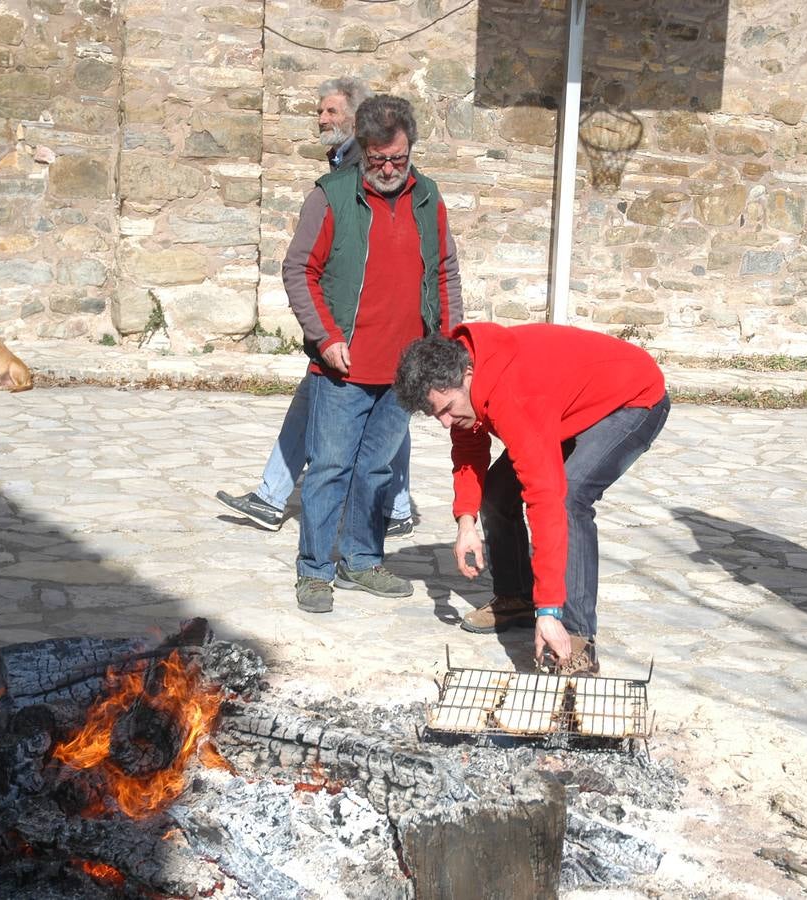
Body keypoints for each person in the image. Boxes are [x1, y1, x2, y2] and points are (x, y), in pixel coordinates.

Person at [394, 325, 670, 675]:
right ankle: (517, 599)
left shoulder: (515, 394)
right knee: (495, 493)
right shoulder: (469, 374)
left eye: (448, 408)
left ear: (468, 373)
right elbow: (468, 447)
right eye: (438, 415)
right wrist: (466, 521)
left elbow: (546, 501)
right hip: (565, 407)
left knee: (570, 496)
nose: (447, 422)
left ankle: (575, 634)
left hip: (631, 399)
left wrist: (550, 609)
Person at [283, 95, 462, 614]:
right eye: (378, 158)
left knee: (377, 470)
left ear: (410, 149)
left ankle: (361, 560)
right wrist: (326, 336)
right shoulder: (331, 196)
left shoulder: (428, 197)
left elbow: (445, 273)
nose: (388, 169)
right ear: (361, 148)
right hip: (343, 365)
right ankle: (314, 570)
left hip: (406, 371)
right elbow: (300, 271)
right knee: (331, 467)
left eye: (398, 159)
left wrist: (448, 345)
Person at [216, 76, 416, 539]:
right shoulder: (340, 163)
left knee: (386, 411)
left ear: (357, 117)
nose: (322, 119)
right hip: (335, 325)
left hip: (357, 326)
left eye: (331, 111)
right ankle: (272, 495)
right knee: (336, 406)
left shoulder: (365, 168)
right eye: (321, 111)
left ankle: (391, 506)